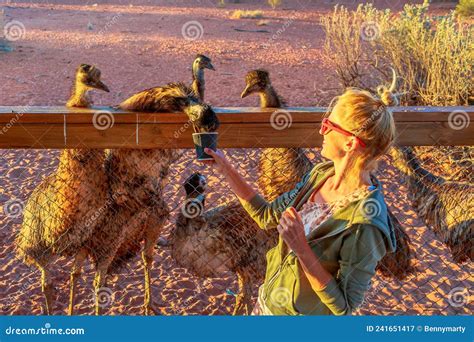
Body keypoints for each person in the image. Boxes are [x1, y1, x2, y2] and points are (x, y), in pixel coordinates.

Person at [202, 86, 398, 315]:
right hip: (268, 304)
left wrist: (302, 249)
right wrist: (225, 168)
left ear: (350, 143)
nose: (321, 130)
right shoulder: (320, 175)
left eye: (328, 125)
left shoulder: (365, 222)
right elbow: (266, 216)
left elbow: (344, 306)